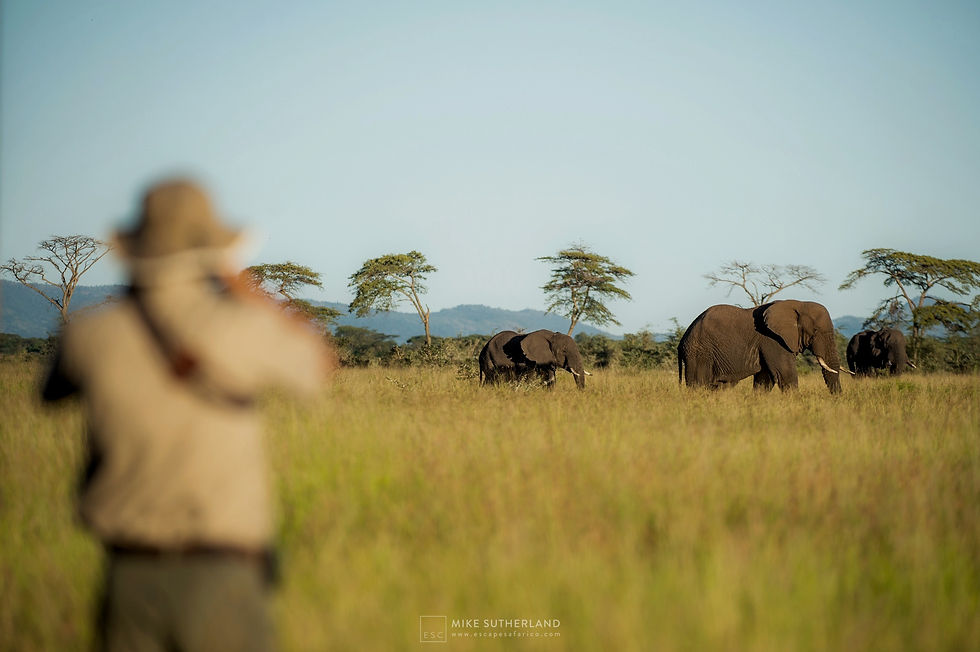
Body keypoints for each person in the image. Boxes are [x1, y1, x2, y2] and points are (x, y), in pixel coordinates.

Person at [42, 179, 335, 651]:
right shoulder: (239, 329)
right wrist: (244, 285)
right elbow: (319, 364)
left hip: (125, 579)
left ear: (136, 250)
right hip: (223, 575)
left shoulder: (92, 334)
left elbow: (49, 393)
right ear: (215, 251)